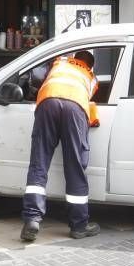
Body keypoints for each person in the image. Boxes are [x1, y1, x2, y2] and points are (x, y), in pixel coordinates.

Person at [20, 50, 101, 242]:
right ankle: (79, 225)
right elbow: (89, 99)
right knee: (75, 167)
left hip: (47, 101)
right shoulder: (91, 77)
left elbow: (37, 78)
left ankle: (32, 219)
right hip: (75, 107)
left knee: (39, 163)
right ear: (90, 65)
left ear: (74, 58)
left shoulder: (59, 63)